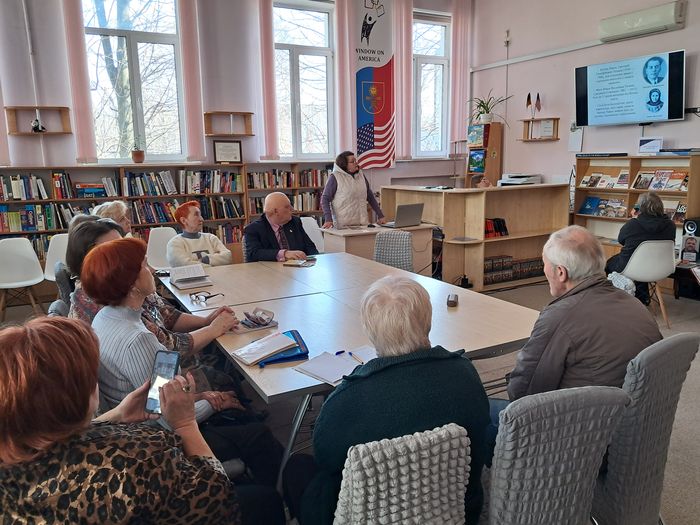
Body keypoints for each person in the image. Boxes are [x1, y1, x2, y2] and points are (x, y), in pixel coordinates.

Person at [283, 276, 490, 525]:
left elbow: (325, 458)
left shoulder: (347, 399)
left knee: (297, 468)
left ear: (370, 331)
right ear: (428, 321)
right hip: (456, 512)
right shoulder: (464, 373)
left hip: (365, 517)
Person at [81, 237, 284, 487]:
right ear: (132, 284)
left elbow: (158, 396)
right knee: (259, 435)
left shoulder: (105, 317)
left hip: (132, 428)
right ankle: (267, 497)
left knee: (234, 405)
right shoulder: (139, 339)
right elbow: (165, 417)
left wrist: (203, 396)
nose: (152, 270)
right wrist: (213, 403)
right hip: (158, 444)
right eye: (144, 266)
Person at [0, 316, 241, 523]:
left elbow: (59, 443)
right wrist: (185, 423)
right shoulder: (136, 457)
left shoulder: (12, 461)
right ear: (75, 396)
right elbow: (218, 501)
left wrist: (116, 415)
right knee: (258, 496)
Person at [66, 218, 238, 376]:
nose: (124, 251)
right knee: (227, 366)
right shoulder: (109, 303)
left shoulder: (125, 289)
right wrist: (213, 329)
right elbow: (162, 374)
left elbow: (166, 314)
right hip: (166, 374)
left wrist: (206, 321)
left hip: (163, 372)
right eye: (114, 247)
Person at [509, 225, 662, 401]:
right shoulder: (635, 304)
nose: (544, 270)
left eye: (545, 264)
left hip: (581, 415)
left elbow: (523, 392)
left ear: (561, 272)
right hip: (638, 412)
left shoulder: (559, 316)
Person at [605, 192, 676, 304]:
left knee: (609, 264)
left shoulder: (633, 224)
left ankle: (617, 300)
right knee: (641, 263)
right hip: (660, 268)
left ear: (640, 207)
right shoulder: (671, 225)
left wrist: (634, 218)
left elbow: (621, 240)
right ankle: (643, 298)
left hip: (632, 267)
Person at [244, 191, 318, 262]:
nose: (292, 209)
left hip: (297, 267)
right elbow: (253, 254)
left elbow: (310, 247)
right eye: (287, 207)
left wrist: (315, 260)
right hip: (268, 269)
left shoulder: (295, 222)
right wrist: (284, 254)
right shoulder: (253, 229)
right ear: (275, 211)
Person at [320, 151, 386, 229]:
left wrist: (380, 215)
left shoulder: (361, 175)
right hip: (343, 227)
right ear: (344, 164)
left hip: (362, 225)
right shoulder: (334, 177)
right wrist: (328, 219)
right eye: (352, 162)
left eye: (356, 160)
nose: (356, 163)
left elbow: (370, 196)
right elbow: (325, 199)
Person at [167, 200, 232, 267]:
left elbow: (228, 256)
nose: (202, 219)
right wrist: (212, 264)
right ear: (184, 220)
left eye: (200, 215)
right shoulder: (175, 243)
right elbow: (183, 265)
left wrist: (207, 259)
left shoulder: (210, 238)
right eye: (196, 215)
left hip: (216, 274)